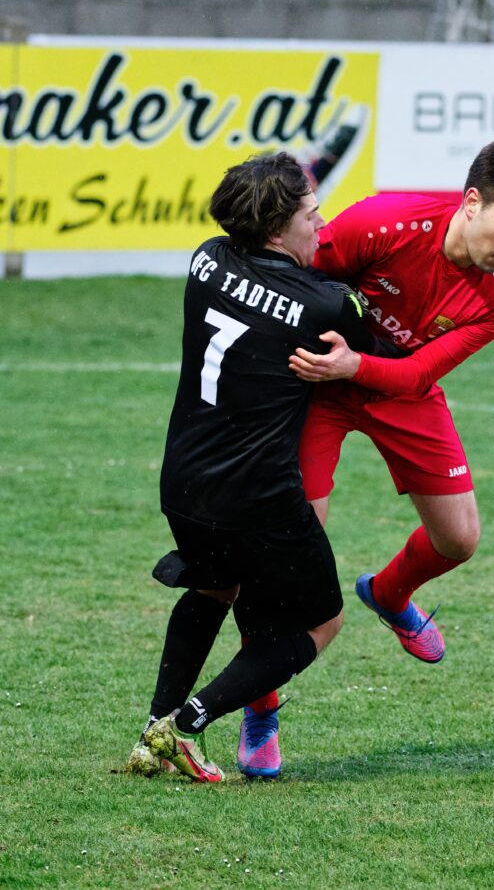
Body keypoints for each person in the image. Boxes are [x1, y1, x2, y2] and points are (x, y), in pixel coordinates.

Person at [127, 152, 397, 783]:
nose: (323, 223)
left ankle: (151, 729)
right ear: (278, 231)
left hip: (185, 482)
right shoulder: (324, 305)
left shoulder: (204, 259)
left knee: (215, 588)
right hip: (260, 497)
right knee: (322, 618)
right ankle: (187, 724)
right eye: (311, 212)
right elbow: (383, 353)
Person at [289, 135, 494, 666]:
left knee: (459, 537)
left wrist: (358, 364)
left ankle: (390, 594)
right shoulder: (384, 222)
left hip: (399, 387)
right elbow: (299, 281)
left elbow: (419, 373)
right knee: (296, 554)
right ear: (471, 203)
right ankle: (260, 712)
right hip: (319, 383)